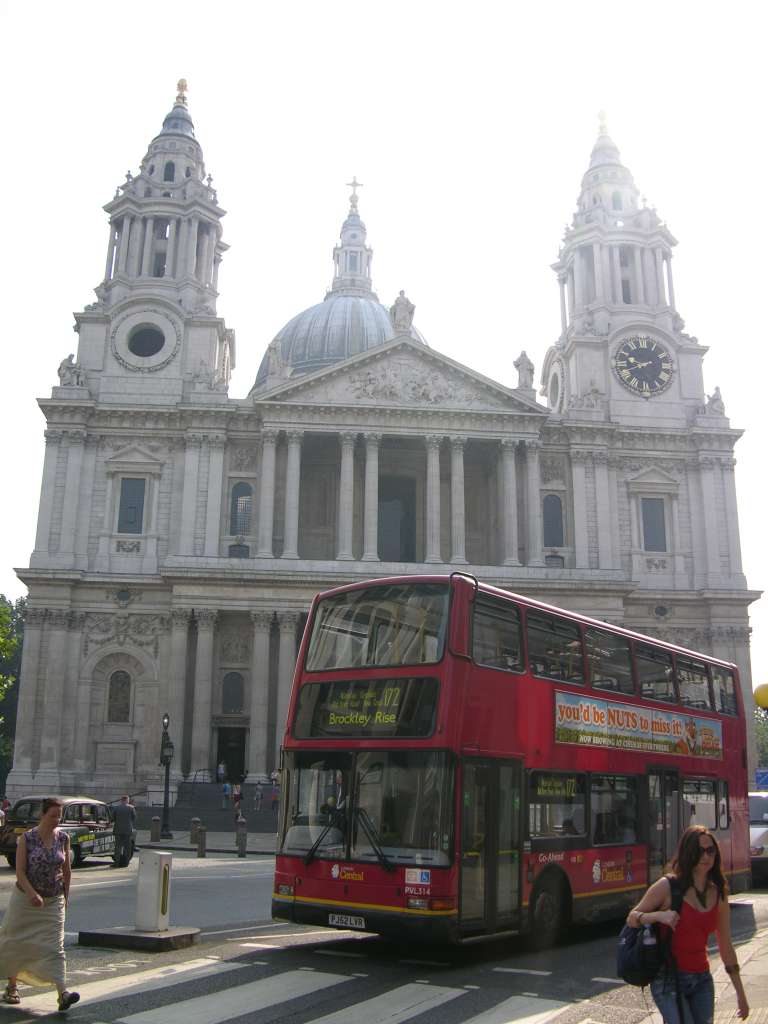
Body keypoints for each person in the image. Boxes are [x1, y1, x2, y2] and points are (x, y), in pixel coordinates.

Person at [626, 825, 749, 1024]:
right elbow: (632, 918)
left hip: (702, 980)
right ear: (688, 853)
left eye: (710, 850)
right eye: (699, 851)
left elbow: (726, 945)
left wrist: (740, 994)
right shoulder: (668, 886)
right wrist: (658, 916)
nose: (706, 856)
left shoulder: (718, 893)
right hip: (668, 979)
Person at [0, 797, 80, 1012]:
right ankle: (12, 986)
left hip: (53, 900)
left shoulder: (63, 838)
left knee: (55, 946)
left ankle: (63, 993)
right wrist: (32, 893)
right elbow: (20, 871)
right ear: (42, 815)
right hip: (25, 899)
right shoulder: (27, 838)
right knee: (15, 941)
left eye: (59, 816)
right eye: (53, 815)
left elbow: (67, 871)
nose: (56, 820)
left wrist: (66, 897)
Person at [111, 795, 136, 868]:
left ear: (121, 800)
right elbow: (134, 818)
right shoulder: (131, 808)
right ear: (127, 800)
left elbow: (113, 818)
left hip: (118, 830)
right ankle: (126, 863)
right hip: (128, 830)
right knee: (127, 848)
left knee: (117, 847)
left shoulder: (116, 808)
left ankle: (116, 863)